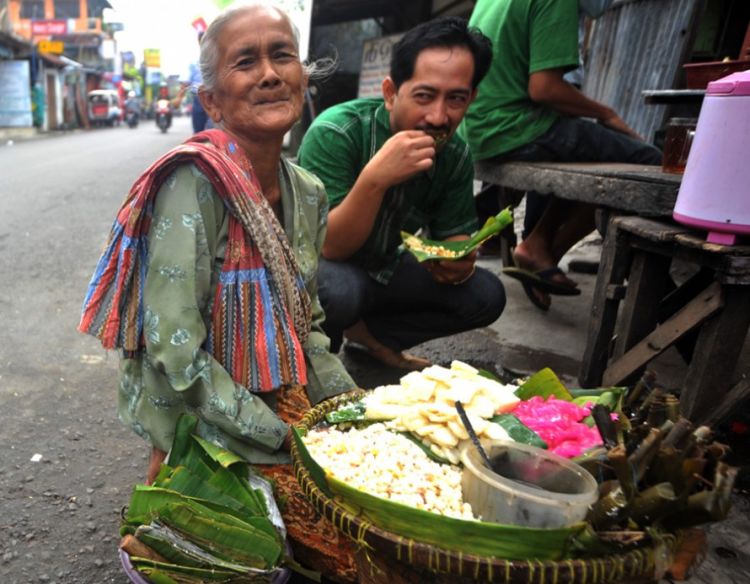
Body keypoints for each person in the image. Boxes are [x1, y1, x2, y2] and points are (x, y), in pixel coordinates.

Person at [78, 5, 357, 582]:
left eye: (282, 55)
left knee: (354, 499)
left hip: (268, 380)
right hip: (193, 401)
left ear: (303, 77)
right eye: (245, 62)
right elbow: (175, 350)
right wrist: (281, 436)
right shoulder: (193, 184)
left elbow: (308, 323)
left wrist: (356, 413)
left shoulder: (307, 192)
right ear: (213, 100)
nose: (270, 74)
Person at [297, 16, 505, 371]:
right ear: (391, 93)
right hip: (318, 269)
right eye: (424, 96)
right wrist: (375, 179)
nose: (439, 117)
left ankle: (371, 337)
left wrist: (457, 260)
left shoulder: (454, 155)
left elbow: (452, 234)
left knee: (486, 295)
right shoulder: (337, 132)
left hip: (384, 267)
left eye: (456, 99)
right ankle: (315, 360)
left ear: (471, 98)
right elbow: (329, 247)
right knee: (339, 290)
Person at [463, 0, 662, 311]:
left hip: (478, 129)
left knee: (587, 146)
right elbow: (544, 89)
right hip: (512, 128)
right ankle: (547, 250)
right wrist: (606, 113)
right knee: (648, 161)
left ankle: (538, 247)